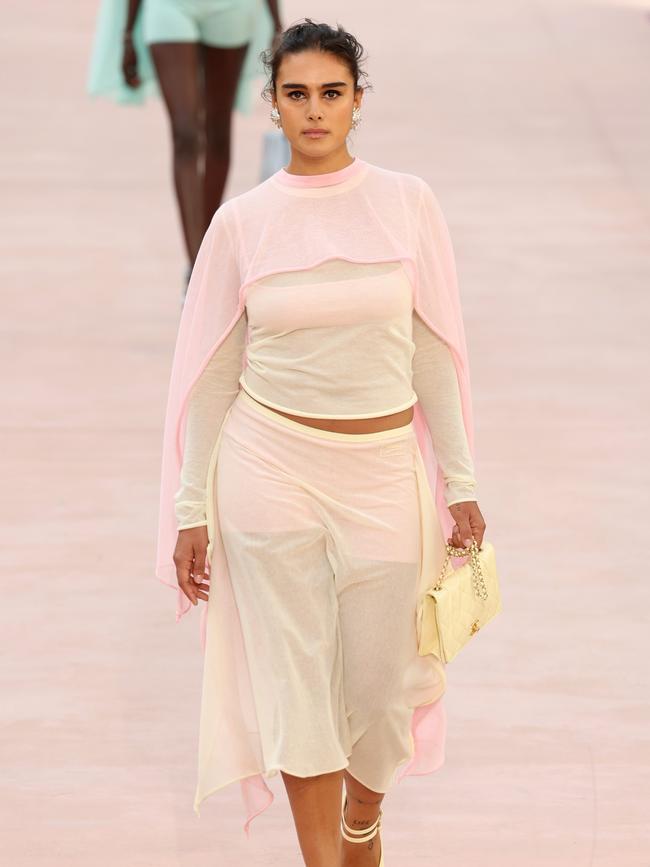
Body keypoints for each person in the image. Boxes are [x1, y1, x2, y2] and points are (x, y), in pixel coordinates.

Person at [155, 18, 487, 867]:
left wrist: (461, 480)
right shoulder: (242, 223)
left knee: (381, 693)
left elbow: (433, 349)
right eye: (296, 95)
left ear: (357, 103)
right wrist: (191, 505)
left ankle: (363, 816)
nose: (314, 111)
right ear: (271, 105)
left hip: (382, 471)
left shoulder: (407, 203)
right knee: (300, 689)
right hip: (269, 471)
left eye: (331, 94)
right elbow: (215, 372)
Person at [87, 0, 283, 292]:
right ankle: (196, 271)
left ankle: (205, 250)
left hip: (233, 8)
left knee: (218, 130)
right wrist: (127, 32)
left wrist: (277, 24)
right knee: (185, 134)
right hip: (168, 7)